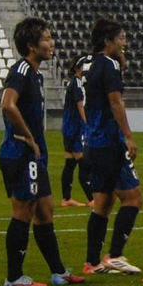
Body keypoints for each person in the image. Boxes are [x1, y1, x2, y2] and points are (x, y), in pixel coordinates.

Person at [0, 18, 82, 286]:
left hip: (34, 153)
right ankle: (13, 278)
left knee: (45, 210)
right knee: (24, 210)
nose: (51, 43)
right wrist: (30, 137)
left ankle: (58, 272)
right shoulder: (21, 70)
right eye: (46, 38)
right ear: (32, 45)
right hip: (20, 152)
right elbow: (8, 105)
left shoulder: (36, 73)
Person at [81, 18, 143, 275]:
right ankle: (114, 255)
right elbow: (115, 102)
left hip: (92, 142)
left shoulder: (87, 62)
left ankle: (92, 262)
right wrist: (128, 136)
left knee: (102, 205)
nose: (125, 41)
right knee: (133, 198)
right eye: (121, 37)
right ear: (108, 41)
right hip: (109, 142)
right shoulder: (109, 64)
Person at [59, 56, 90, 207]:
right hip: (74, 129)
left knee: (70, 164)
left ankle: (66, 198)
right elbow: (80, 106)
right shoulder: (77, 83)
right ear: (79, 68)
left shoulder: (73, 82)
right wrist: (88, 124)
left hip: (68, 128)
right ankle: (91, 198)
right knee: (83, 163)